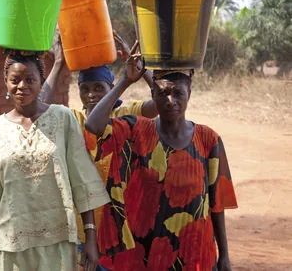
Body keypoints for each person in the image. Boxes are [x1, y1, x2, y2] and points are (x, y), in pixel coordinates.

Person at [85, 55, 238, 271]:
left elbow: (216, 204)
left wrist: (224, 255)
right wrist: (125, 81)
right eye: (163, 93)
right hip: (145, 256)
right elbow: (93, 125)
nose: (170, 100)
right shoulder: (137, 130)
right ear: (152, 95)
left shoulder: (208, 139)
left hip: (195, 254)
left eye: (178, 93)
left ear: (190, 94)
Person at [0, 50, 110, 271]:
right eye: (14, 80)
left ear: (41, 81)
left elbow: (82, 182)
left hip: (58, 242)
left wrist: (90, 239)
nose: (21, 86)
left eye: (30, 80)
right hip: (9, 247)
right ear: (5, 82)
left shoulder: (63, 118)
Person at [41, 32, 158, 269]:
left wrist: (140, 69)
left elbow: (159, 103)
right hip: (83, 220)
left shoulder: (126, 114)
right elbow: (39, 106)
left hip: (122, 217)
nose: (91, 94)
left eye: (98, 88)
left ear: (111, 88)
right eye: (85, 89)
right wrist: (59, 63)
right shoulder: (73, 118)